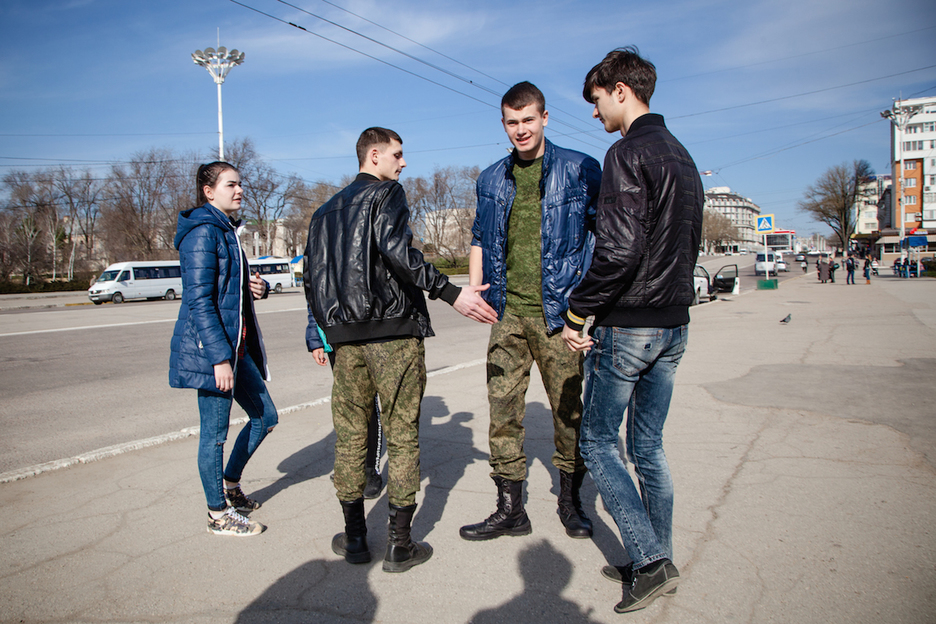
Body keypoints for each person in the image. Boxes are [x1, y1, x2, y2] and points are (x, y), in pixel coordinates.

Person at [303, 127, 498, 573]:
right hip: (392, 332)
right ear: (375, 155)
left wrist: (327, 331)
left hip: (345, 341)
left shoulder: (323, 212)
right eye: (398, 154)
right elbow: (397, 252)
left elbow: (311, 282)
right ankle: (400, 544)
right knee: (402, 433)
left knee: (352, 434)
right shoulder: (386, 193)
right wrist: (450, 292)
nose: (403, 162)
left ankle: (355, 540)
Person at [561, 47, 703, 613]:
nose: (595, 114)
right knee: (648, 447)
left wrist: (578, 310)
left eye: (596, 101)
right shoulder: (682, 155)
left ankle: (647, 561)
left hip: (632, 325)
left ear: (620, 90)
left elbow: (618, 252)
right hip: (674, 324)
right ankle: (659, 556)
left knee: (597, 442)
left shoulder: (626, 153)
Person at [459, 82, 602, 543]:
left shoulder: (580, 169)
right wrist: (474, 288)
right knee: (502, 411)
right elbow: (481, 235)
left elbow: (603, 237)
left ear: (544, 118)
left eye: (527, 120)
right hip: (507, 315)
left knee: (568, 412)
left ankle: (571, 501)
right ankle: (509, 509)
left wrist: (591, 305)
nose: (520, 129)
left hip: (560, 315)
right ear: (503, 124)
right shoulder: (490, 178)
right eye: (511, 122)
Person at [169, 162, 278, 537]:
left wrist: (254, 288)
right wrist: (219, 358)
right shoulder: (204, 233)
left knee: (266, 417)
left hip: (236, 349)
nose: (240, 190)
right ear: (208, 190)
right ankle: (218, 515)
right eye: (231, 184)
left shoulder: (227, 231)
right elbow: (199, 301)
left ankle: (230, 486)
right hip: (213, 353)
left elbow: (226, 289)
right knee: (214, 435)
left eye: (240, 184)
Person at [306, 310, 385, 499]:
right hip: (334, 335)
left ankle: (370, 470)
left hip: (365, 333)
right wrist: (315, 339)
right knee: (347, 407)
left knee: (367, 404)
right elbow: (313, 298)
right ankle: (352, 469)